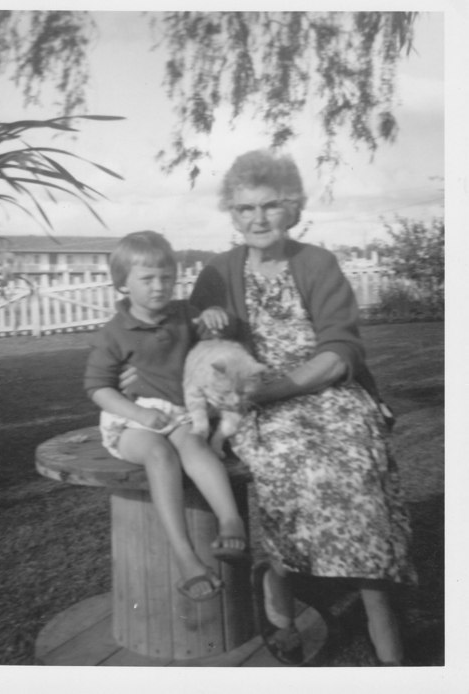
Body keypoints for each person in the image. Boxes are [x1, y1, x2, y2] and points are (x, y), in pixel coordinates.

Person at [187, 150, 417, 664]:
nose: (258, 219)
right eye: (245, 209)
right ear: (232, 214)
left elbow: (341, 353)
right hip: (255, 402)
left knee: (357, 459)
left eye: (270, 206)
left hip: (321, 389)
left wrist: (281, 388)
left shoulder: (317, 263)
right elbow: (187, 340)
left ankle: (379, 603)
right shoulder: (218, 272)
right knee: (289, 466)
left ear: (293, 210)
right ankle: (280, 597)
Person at [84, 231, 247, 602]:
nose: (159, 287)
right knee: (159, 454)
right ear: (123, 284)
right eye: (147, 279)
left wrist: (213, 316)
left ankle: (229, 518)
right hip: (129, 420)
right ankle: (186, 556)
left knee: (194, 445)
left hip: (178, 412)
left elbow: (215, 332)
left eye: (167, 278)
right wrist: (137, 411)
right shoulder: (113, 333)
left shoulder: (183, 315)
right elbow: (98, 388)